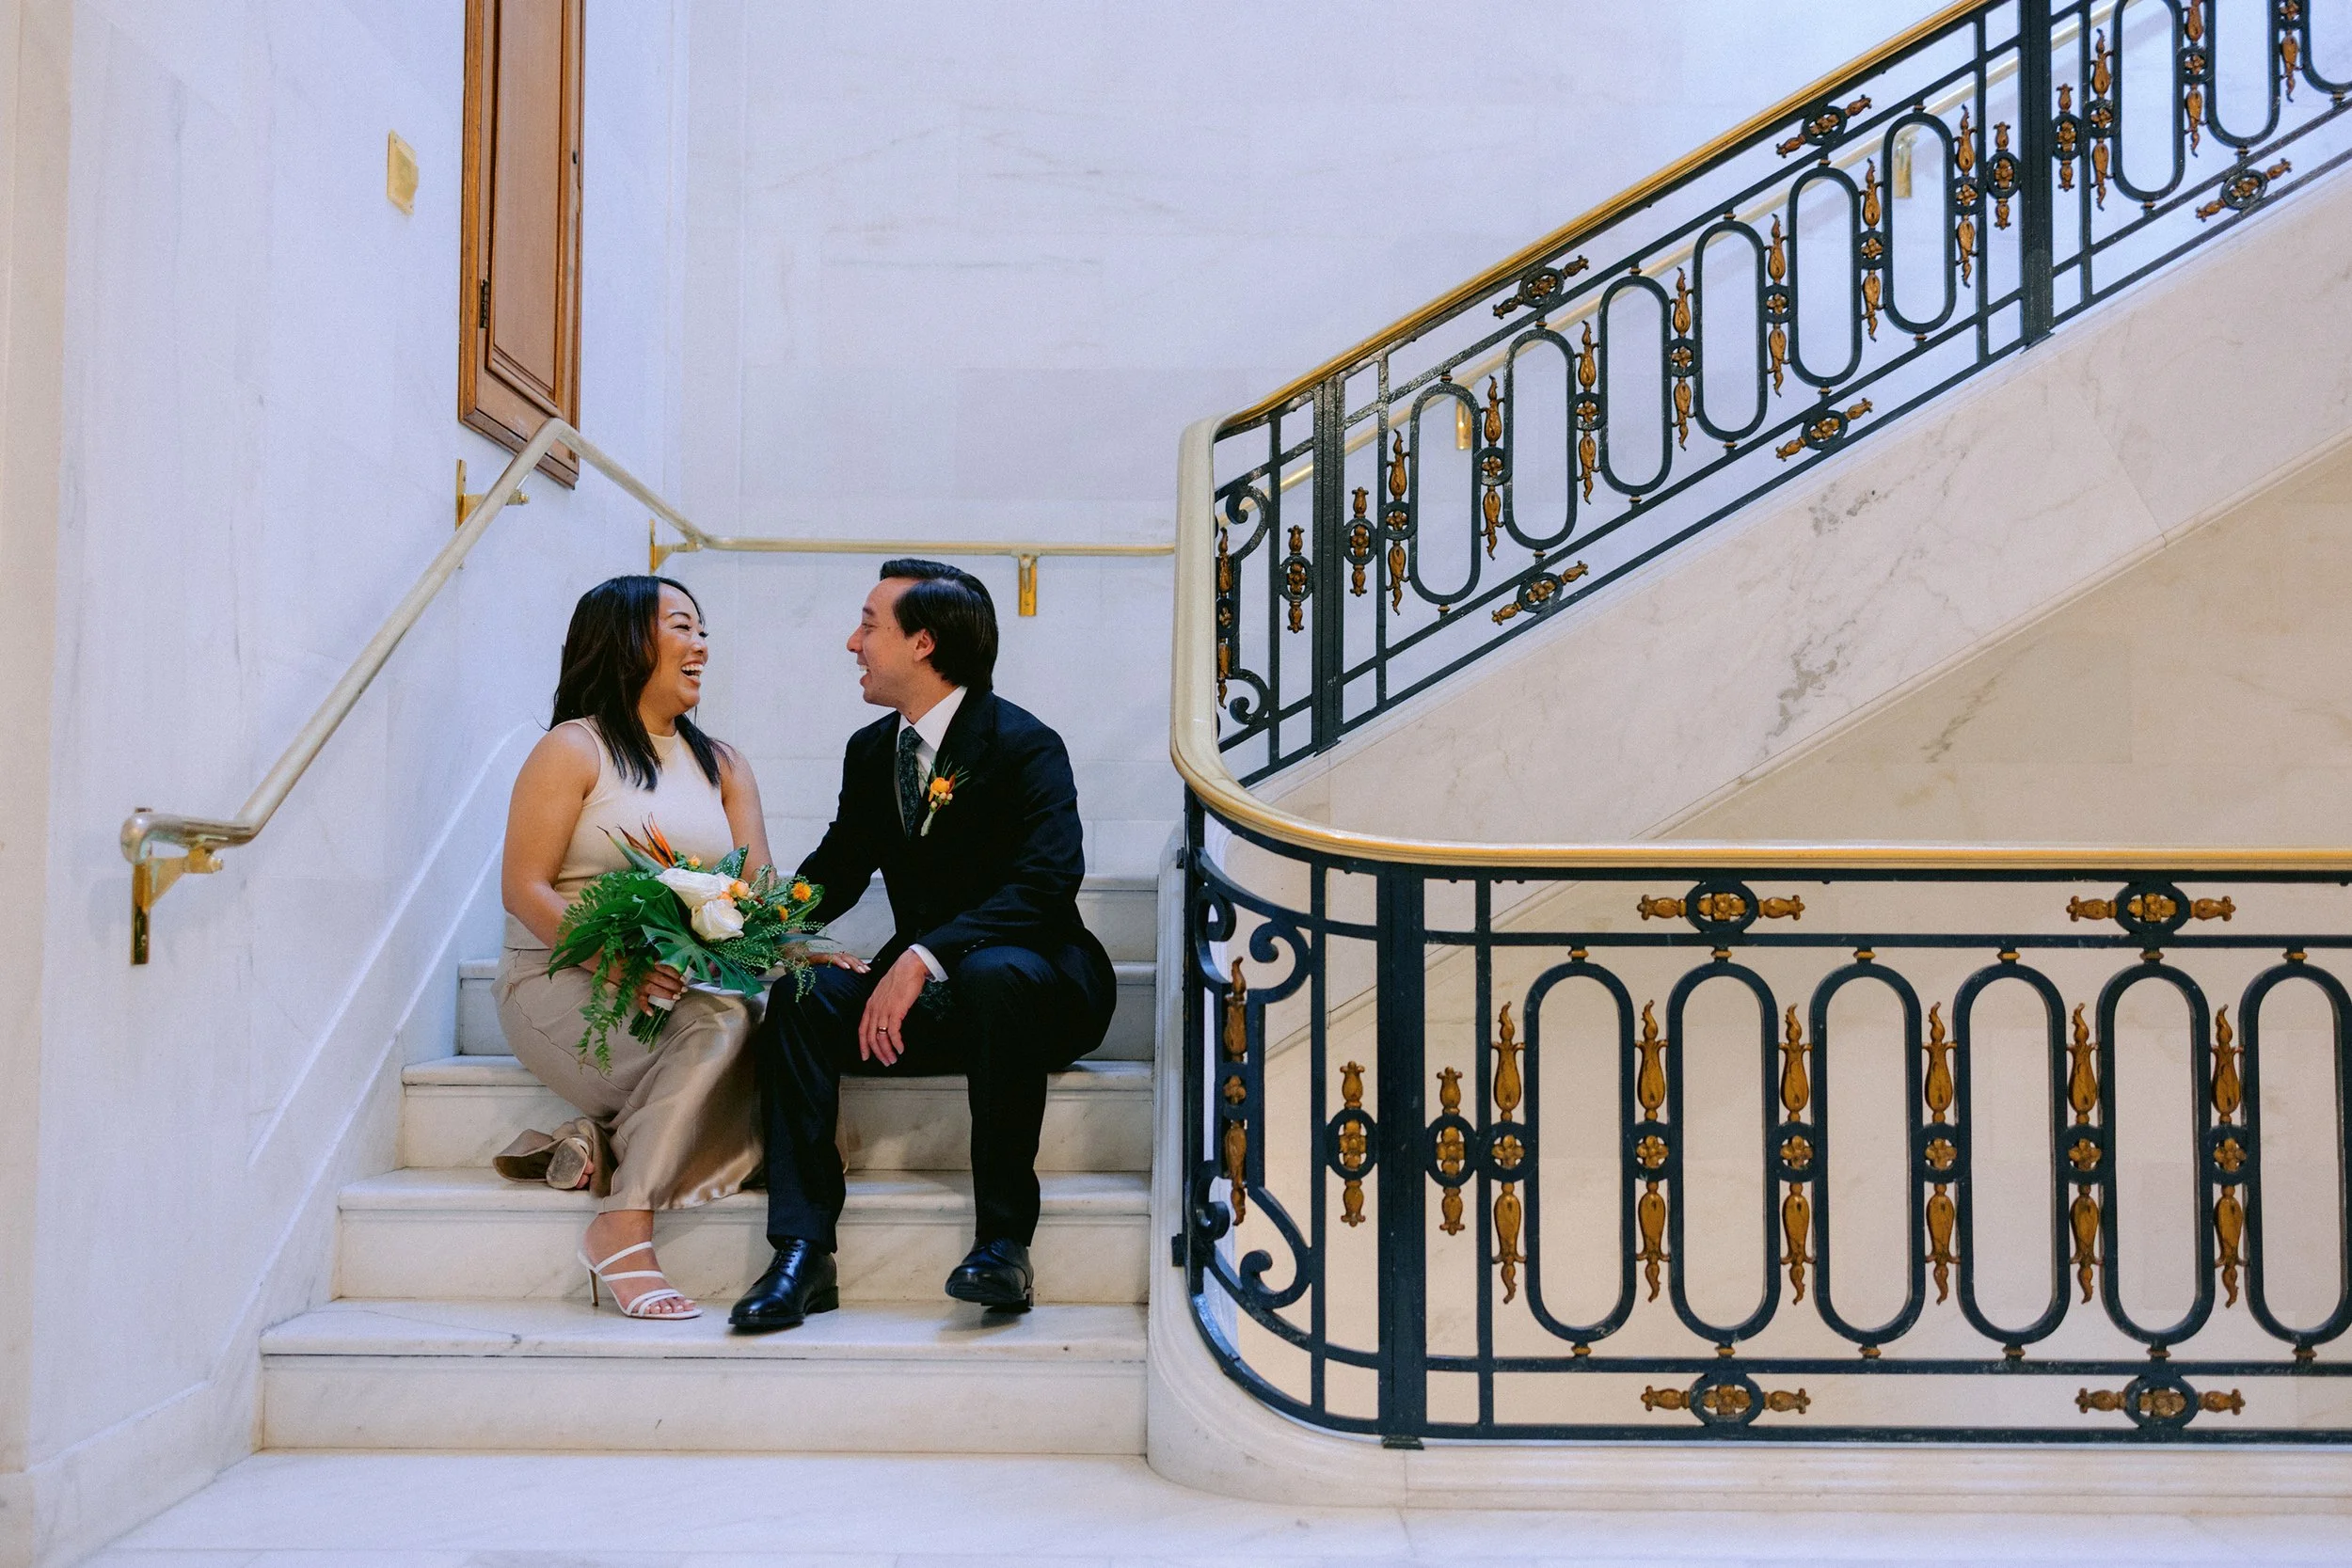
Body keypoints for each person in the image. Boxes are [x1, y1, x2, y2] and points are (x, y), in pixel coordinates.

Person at [732, 559, 1115, 1331]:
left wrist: (923, 954)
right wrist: (751, 929)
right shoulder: (871, 751)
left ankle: (1004, 1243)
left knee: (996, 976)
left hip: (1038, 986)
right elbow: (836, 866)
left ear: (924, 644)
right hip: (936, 998)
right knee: (802, 998)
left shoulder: (1026, 744)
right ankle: (803, 1254)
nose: (852, 642)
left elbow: (1046, 883)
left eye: (869, 625)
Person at [497, 575, 824, 1320]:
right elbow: (525, 889)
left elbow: (758, 898)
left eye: (704, 628)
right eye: (682, 625)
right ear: (626, 641)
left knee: (790, 1044)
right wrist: (618, 963)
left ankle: (595, 1144)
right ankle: (624, 1222)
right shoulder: (573, 748)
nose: (701, 644)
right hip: (561, 981)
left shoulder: (726, 765)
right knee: (722, 1029)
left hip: (687, 988)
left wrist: (806, 949)